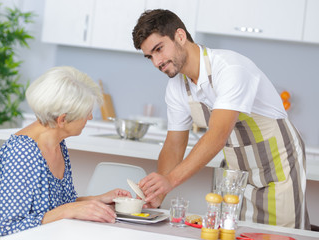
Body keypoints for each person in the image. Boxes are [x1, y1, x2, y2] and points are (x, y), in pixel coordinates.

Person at [132, 9, 310, 229]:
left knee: (278, 233)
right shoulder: (177, 86)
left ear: (180, 35)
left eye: (159, 49)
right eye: (150, 56)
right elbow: (173, 145)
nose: (157, 62)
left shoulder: (229, 68)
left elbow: (217, 135)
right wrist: (159, 190)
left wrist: (171, 180)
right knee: (234, 231)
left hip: (276, 165)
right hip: (238, 172)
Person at [0, 66, 132, 239]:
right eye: (87, 113)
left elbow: (59, 206)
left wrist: (97, 199)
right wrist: (69, 210)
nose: (89, 118)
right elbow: (7, 229)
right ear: (62, 120)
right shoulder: (21, 153)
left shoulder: (58, 144)